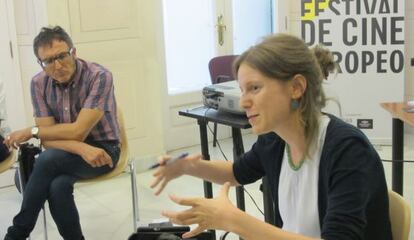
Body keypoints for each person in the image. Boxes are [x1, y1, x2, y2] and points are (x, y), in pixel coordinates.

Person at [151, 33, 392, 240]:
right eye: (242, 89)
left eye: (255, 88)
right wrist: (186, 167)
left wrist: (235, 220)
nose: (244, 101)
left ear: (296, 87)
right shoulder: (275, 140)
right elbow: (236, 172)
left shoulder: (348, 151)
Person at [3, 26, 120, 240]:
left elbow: (77, 131)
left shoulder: (99, 76)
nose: (57, 66)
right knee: (57, 186)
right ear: (41, 63)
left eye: (62, 56)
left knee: (46, 161)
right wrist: (81, 148)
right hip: (65, 153)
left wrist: (32, 131)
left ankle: (16, 234)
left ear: (73, 52)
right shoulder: (38, 83)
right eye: (48, 61)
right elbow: (49, 139)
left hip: (104, 151)